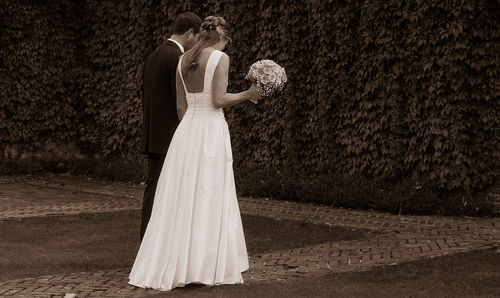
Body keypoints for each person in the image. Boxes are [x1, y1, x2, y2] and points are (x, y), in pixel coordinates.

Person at [129, 16, 261, 291]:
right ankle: (202, 265)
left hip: (186, 131)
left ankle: (177, 263)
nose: (227, 46)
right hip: (210, 131)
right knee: (209, 194)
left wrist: (189, 128)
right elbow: (218, 100)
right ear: (221, 37)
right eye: (228, 40)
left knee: (182, 196)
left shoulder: (182, 60)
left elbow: (180, 107)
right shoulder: (220, 59)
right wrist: (248, 94)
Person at [140, 12, 202, 240]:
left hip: (153, 133)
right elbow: (181, 101)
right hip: (171, 136)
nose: (198, 43)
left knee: (154, 190)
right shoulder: (178, 58)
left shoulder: (154, 55)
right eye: (197, 37)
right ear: (189, 33)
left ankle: (147, 241)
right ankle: (157, 244)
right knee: (168, 192)